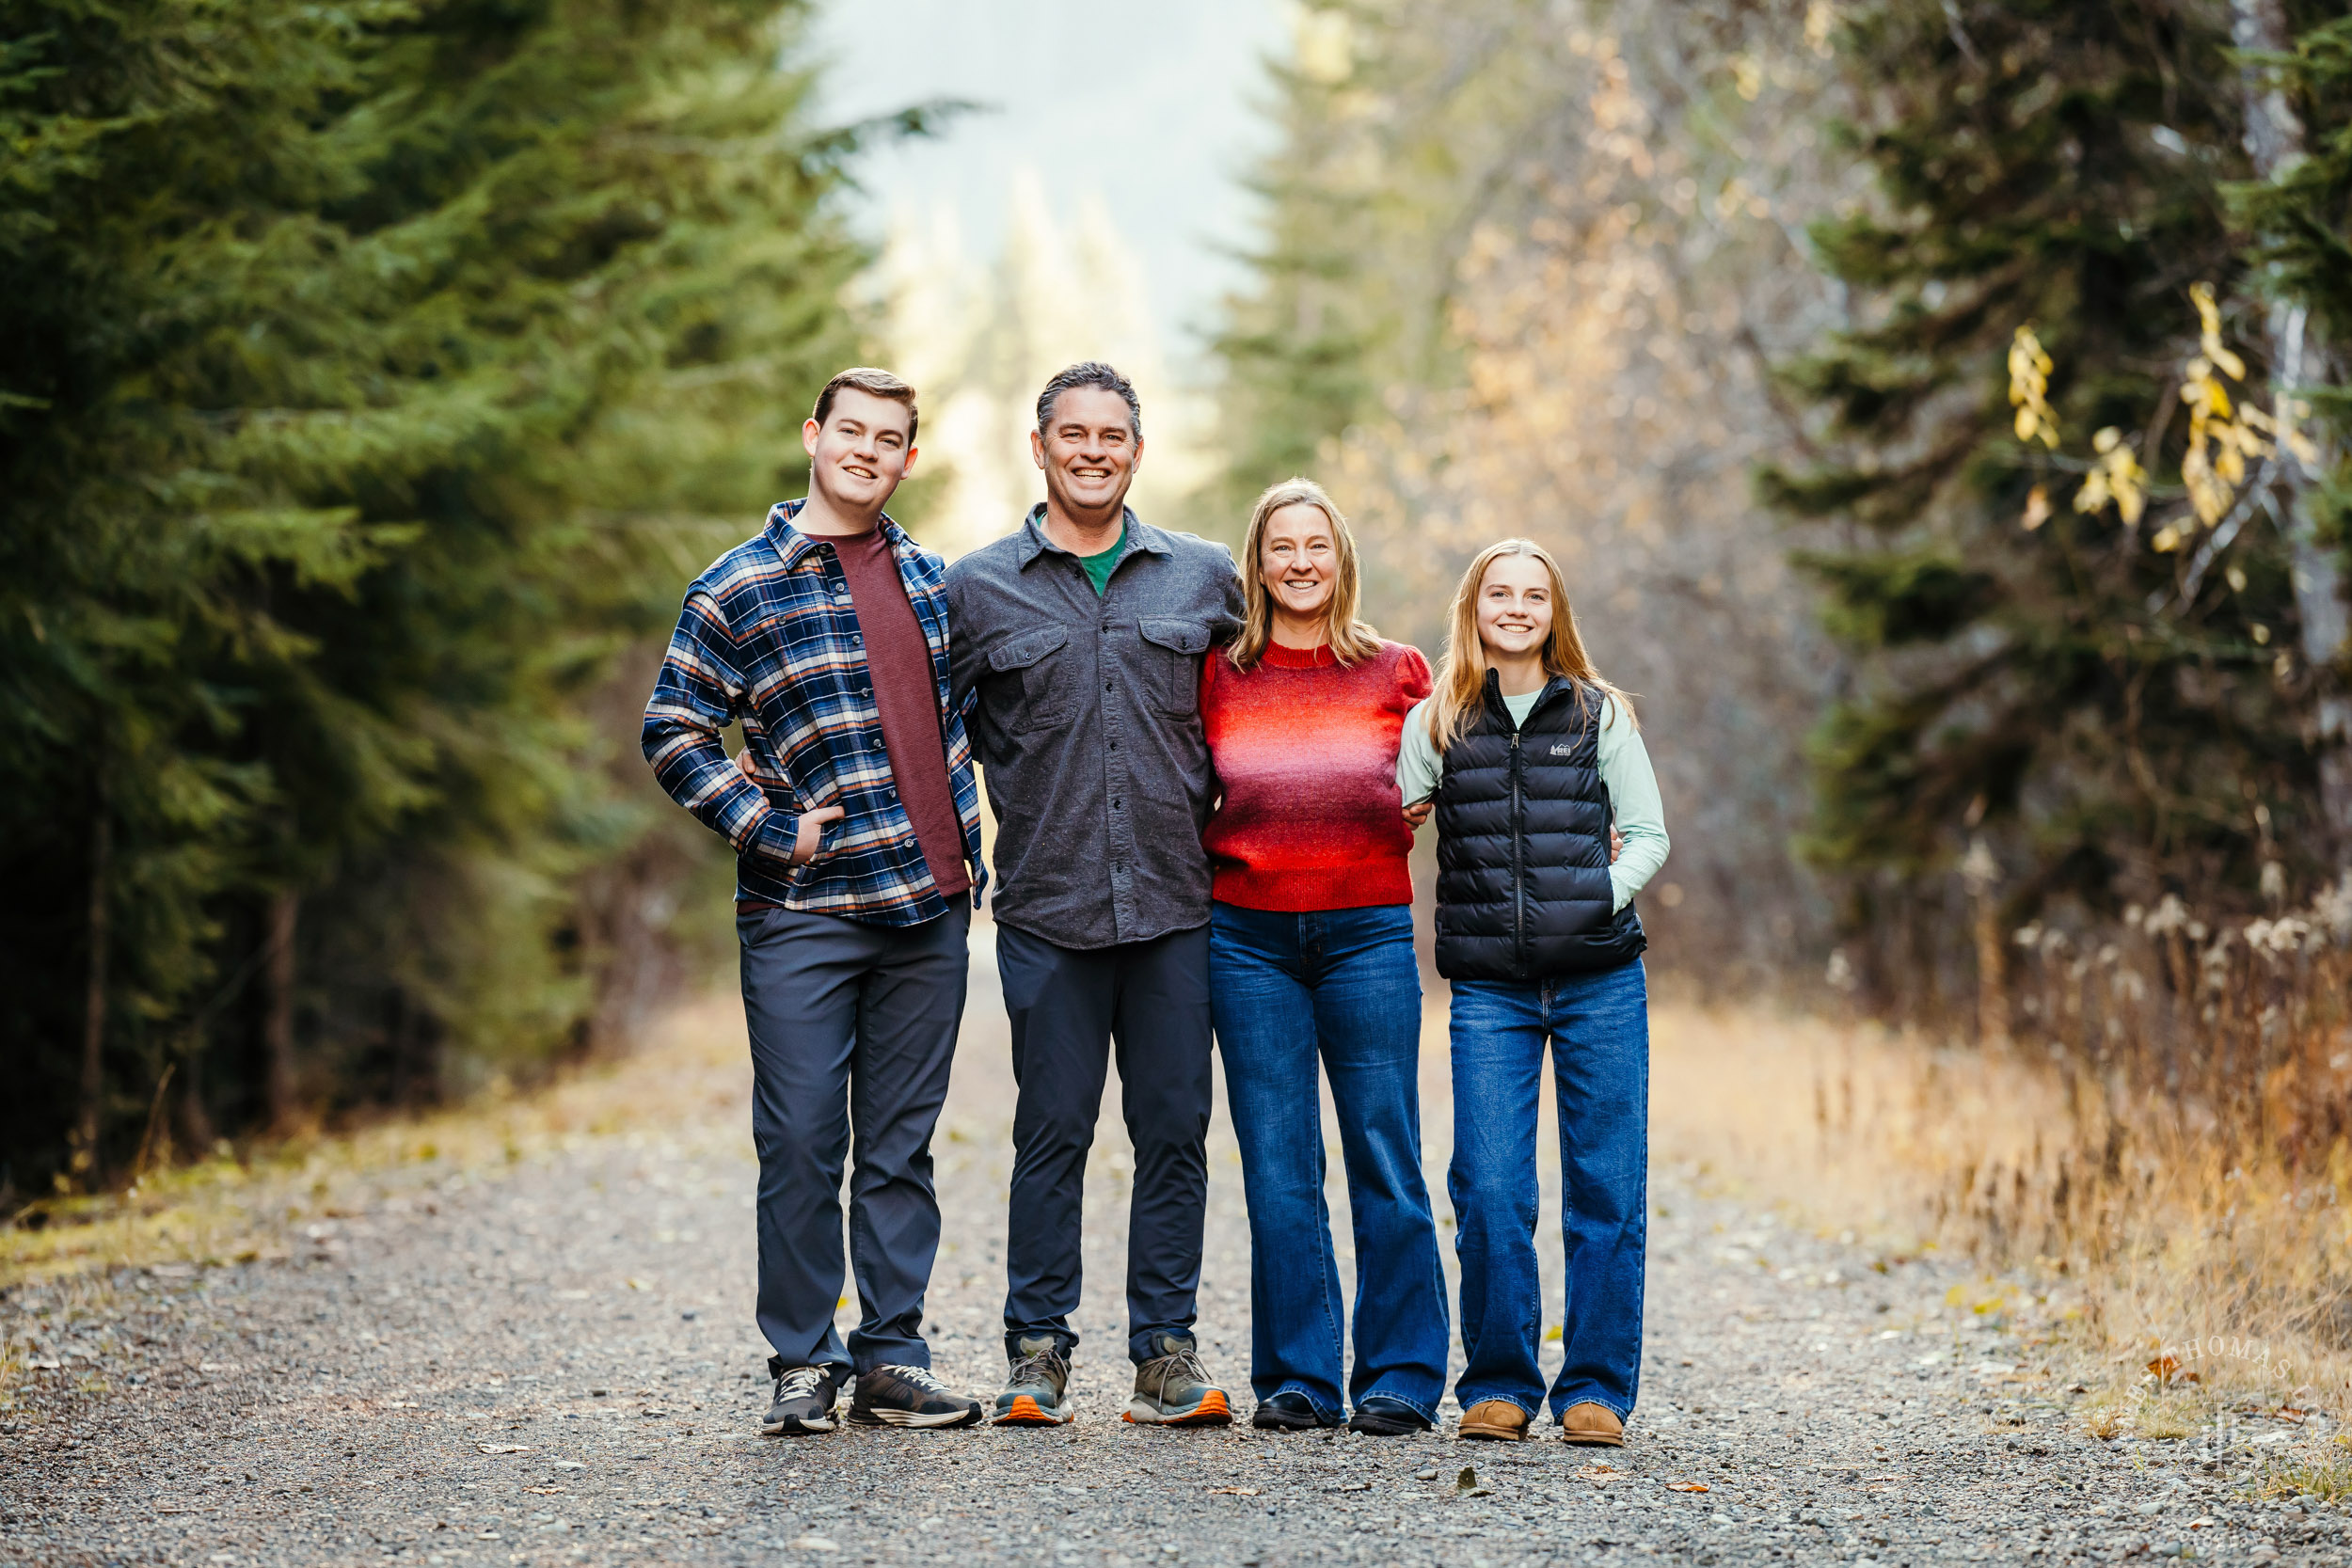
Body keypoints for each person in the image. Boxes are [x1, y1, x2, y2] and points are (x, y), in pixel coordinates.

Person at [642, 368, 986, 1435]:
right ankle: (802, 1356)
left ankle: (891, 1356)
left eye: (890, 438)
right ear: (813, 436)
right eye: (851, 430)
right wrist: (766, 824)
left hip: (927, 908)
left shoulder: (934, 580)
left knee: (899, 1145)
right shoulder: (736, 585)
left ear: (906, 459)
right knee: (798, 1139)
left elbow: (971, 720)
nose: (868, 451)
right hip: (801, 910)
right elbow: (672, 728)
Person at [946, 361, 1247, 1427]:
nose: (1091, 450)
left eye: (1111, 434)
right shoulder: (975, 588)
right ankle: (1037, 1349)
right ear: (1039, 447)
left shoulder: (1204, 578)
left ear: (1136, 449)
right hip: (1047, 908)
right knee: (1053, 1131)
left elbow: (1281, 686)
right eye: (1071, 433)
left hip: (1177, 904)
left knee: (1173, 1129)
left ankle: (1165, 1350)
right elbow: (915, 721)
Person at [1398, 538, 1669, 1447]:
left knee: (1606, 1187)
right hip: (1490, 994)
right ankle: (1502, 1383)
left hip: (1599, 984)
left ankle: (1596, 1389)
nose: (1516, 608)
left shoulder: (1599, 714)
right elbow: (1392, 821)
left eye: (1534, 596)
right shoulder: (1437, 721)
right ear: (1473, 607)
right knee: (1490, 1187)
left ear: (1556, 613)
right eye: (1499, 593)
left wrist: (1591, 897)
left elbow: (1649, 835)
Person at [1198, 478, 1451, 1436]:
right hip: (1247, 939)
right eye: (1279, 547)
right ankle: (1299, 1374)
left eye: (1316, 545)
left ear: (1341, 556)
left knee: (1384, 1150)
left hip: (1368, 934)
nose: (1299, 562)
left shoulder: (1398, 670)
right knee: (1277, 1162)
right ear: (1255, 564)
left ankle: (1401, 1374)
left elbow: (1454, 779)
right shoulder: (1220, 672)